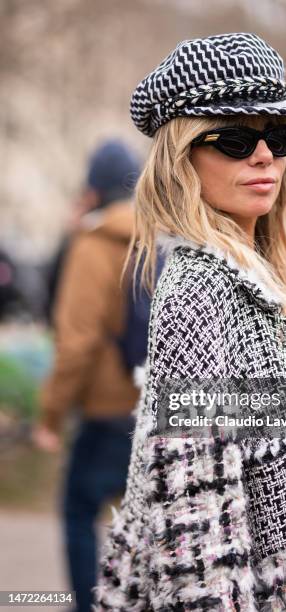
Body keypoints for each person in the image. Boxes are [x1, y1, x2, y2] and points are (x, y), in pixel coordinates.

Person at [94, 34, 286, 610]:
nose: (265, 155)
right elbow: (196, 523)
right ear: (182, 157)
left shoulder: (257, 279)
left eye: (279, 135)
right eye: (235, 139)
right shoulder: (200, 289)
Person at [31, 140, 152, 612]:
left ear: (94, 187)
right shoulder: (158, 235)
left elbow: (76, 343)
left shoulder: (92, 242)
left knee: (79, 510)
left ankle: (88, 604)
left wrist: (50, 417)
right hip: (155, 403)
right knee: (145, 516)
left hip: (106, 407)